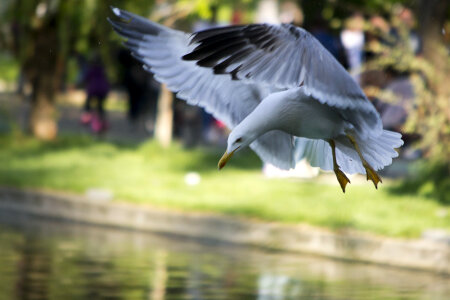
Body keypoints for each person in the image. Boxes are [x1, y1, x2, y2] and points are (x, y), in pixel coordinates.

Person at [80, 54, 110, 133]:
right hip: (102, 90)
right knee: (100, 107)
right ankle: (102, 122)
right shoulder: (102, 69)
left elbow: (86, 78)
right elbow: (106, 79)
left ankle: (87, 117)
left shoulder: (91, 69)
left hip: (93, 90)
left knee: (87, 104)